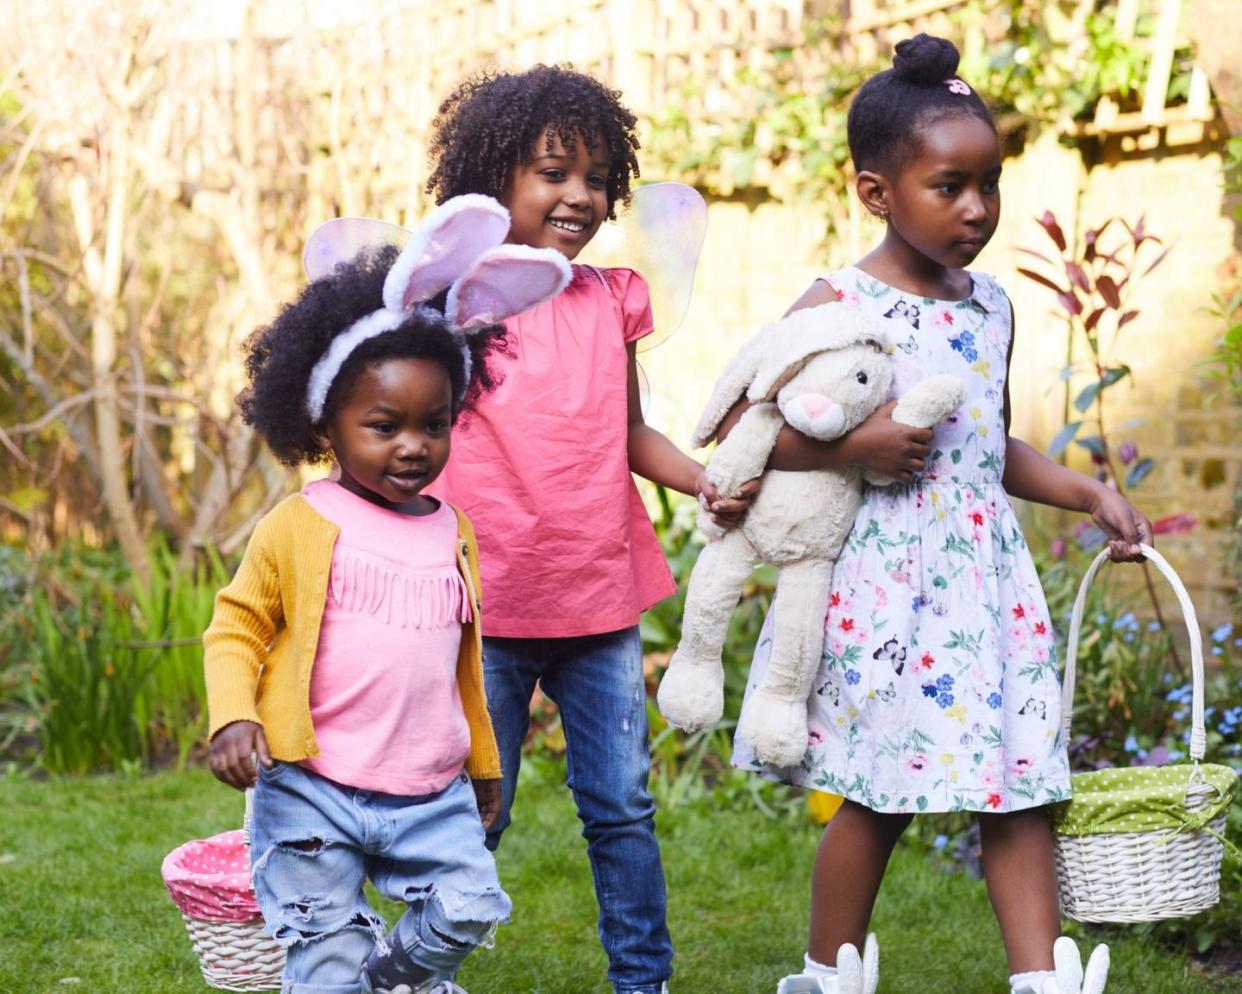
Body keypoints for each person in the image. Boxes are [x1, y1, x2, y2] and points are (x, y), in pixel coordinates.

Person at [721, 34, 1149, 994]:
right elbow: (747, 441)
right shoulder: (840, 302)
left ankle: (1041, 980)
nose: (978, 210)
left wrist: (1086, 490)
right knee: (875, 790)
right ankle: (828, 975)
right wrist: (850, 447)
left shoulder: (992, 304)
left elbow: (990, 449)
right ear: (876, 191)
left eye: (989, 185)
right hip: (878, 588)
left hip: (984, 586)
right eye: (949, 187)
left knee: (1018, 781)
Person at [423, 65, 757, 994]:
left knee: (621, 807)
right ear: (495, 179)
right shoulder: (454, 305)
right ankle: (425, 967)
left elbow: (631, 432)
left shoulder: (612, 299)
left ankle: (642, 980)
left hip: (598, 599)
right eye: (553, 172)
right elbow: (407, 429)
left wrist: (705, 482)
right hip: (484, 605)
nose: (580, 195)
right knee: (475, 809)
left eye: (597, 176)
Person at [203, 208, 566, 994]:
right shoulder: (299, 525)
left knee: (472, 905)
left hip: (428, 792)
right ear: (325, 423)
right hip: (313, 790)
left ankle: (391, 980)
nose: (413, 445)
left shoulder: (453, 531)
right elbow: (235, 626)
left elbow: (460, 661)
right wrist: (235, 714)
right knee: (322, 961)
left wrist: (482, 760)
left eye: (434, 425)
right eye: (383, 425)